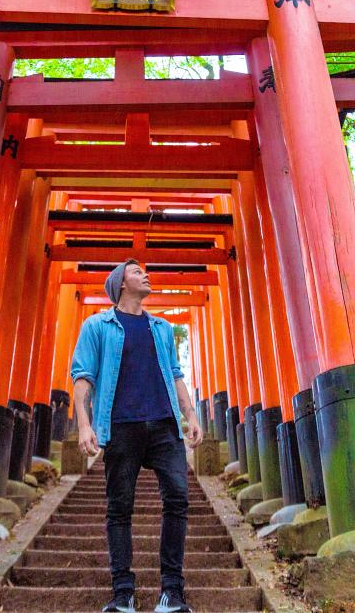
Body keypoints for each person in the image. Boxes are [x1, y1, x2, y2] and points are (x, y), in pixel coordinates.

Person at [71, 259, 204, 613]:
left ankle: (172, 593)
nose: (145, 275)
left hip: (164, 424)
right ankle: (122, 594)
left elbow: (175, 374)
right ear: (120, 283)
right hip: (120, 425)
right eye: (136, 272)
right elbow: (83, 376)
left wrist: (190, 415)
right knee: (119, 508)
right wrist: (84, 424)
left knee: (177, 499)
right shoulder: (97, 326)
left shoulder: (161, 327)